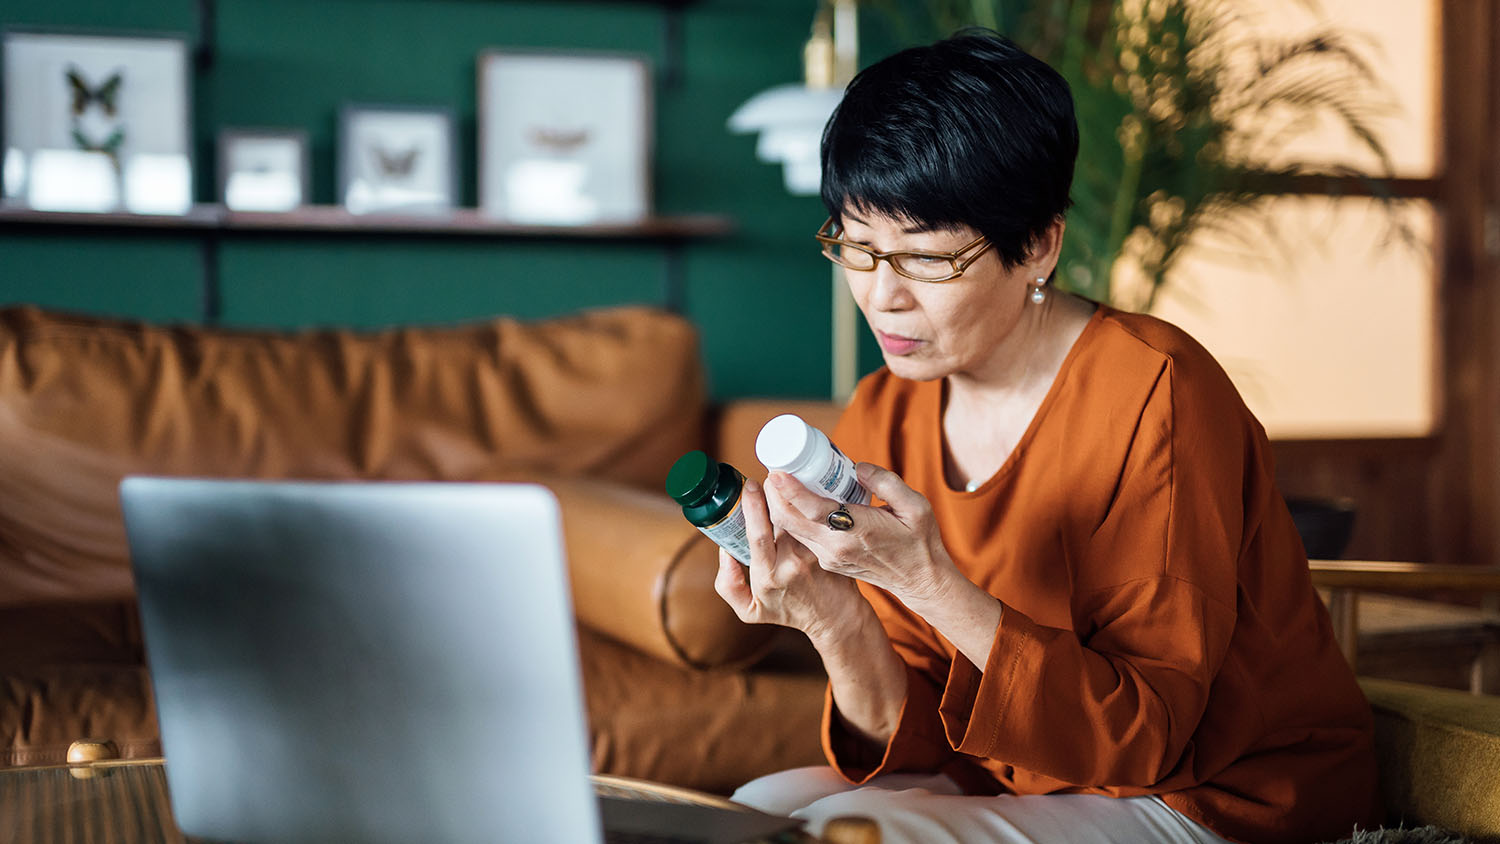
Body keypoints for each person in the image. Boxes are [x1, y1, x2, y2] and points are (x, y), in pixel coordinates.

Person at [714, 30, 1379, 844]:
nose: (881, 296)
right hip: (1009, 769)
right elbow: (912, 736)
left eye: (924, 260)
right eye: (856, 246)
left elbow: (1145, 739)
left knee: (841, 834)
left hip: (1212, 794)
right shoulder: (885, 409)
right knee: (751, 813)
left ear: (1038, 246)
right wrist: (832, 618)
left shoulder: (1156, 393)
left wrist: (928, 582)